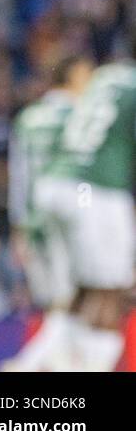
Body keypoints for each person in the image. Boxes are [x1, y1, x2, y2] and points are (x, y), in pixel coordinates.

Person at [34, 46, 136, 371]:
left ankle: (45, 363)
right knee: (112, 290)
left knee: (82, 292)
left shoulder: (105, 76)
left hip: (56, 184)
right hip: (98, 189)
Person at [0, 54, 92, 371]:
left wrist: (18, 228)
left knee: (57, 303)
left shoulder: (27, 119)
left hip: (34, 221)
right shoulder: (82, 114)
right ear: (74, 76)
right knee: (73, 303)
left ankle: (59, 366)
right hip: (69, 221)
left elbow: (19, 178)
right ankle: (27, 364)